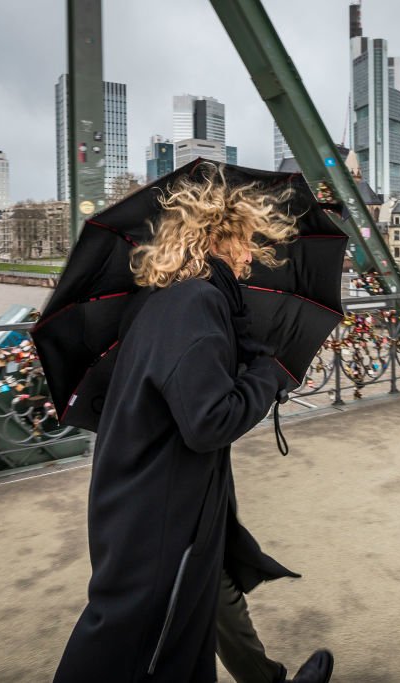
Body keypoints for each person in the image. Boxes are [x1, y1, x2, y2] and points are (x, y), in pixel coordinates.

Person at [53, 163, 334, 683]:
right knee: (132, 647)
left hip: (160, 499)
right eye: (245, 242)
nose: (250, 256)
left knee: (189, 621)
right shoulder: (197, 304)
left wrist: (247, 355)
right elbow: (209, 420)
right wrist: (267, 376)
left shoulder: (169, 301)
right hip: (161, 514)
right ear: (215, 236)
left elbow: (187, 387)